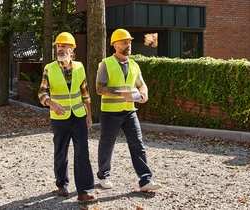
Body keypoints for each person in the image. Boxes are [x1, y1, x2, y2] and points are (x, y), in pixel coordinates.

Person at [95, 28, 163, 192]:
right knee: (107, 144)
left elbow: (141, 84)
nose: (128, 45)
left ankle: (145, 180)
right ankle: (104, 176)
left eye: (129, 42)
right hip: (110, 112)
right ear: (115, 45)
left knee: (137, 144)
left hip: (129, 112)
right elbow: (99, 88)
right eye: (124, 42)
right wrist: (121, 94)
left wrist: (144, 93)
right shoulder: (106, 64)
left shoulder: (134, 64)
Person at [38, 32, 97, 202]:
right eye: (58, 46)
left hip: (78, 116)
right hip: (59, 117)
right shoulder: (49, 68)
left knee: (82, 152)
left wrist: (89, 115)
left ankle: (84, 191)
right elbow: (42, 92)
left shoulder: (79, 67)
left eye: (64, 46)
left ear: (71, 49)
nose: (60, 49)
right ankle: (62, 185)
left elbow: (85, 93)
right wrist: (52, 103)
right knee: (61, 150)